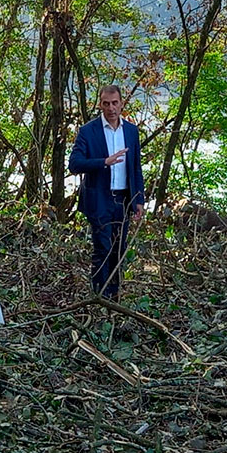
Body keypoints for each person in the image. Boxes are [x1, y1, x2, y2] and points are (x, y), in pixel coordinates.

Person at [69, 85, 145, 300]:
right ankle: (99, 295)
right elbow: (74, 164)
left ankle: (115, 294)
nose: (111, 108)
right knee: (102, 247)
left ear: (121, 103)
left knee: (119, 249)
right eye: (106, 103)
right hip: (99, 198)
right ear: (100, 104)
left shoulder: (131, 131)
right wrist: (104, 162)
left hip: (123, 200)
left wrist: (138, 199)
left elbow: (136, 167)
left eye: (114, 103)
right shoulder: (88, 131)